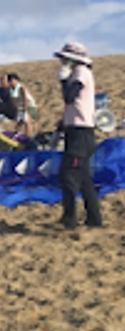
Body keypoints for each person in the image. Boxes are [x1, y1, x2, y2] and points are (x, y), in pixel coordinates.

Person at [54, 43, 101, 228]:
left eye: (65, 58)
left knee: (68, 175)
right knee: (83, 178)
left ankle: (70, 218)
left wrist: (63, 80)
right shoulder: (78, 73)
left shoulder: (81, 72)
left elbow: (70, 97)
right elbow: (73, 106)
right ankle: (94, 218)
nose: (62, 61)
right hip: (76, 131)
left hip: (81, 133)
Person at [7, 73, 38, 137]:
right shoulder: (10, 89)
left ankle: (29, 137)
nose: (11, 82)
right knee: (19, 122)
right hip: (20, 107)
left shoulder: (21, 87)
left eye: (12, 80)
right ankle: (16, 135)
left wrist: (25, 110)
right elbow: (12, 100)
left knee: (27, 121)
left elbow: (25, 99)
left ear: (16, 80)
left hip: (29, 106)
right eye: (9, 80)